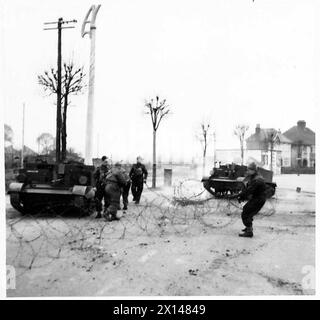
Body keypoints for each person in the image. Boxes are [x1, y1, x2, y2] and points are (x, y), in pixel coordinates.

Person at [237, 162, 267, 238]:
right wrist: (242, 195)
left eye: (249, 170)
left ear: (254, 170)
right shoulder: (254, 176)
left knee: (246, 213)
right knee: (247, 210)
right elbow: (248, 189)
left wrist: (241, 196)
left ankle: (249, 232)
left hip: (259, 199)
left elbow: (249, 191)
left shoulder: (257, 179)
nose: (248, 171)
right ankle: (248, 227)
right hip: (257, 198)